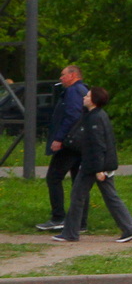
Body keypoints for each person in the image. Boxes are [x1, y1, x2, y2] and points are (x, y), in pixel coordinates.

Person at [52, 86, 132, 243]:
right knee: (107, 196)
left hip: (93, 165)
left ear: (94, 100)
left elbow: (98, 145)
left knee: (79, 196)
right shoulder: (97, 115)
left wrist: (99, 169)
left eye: (87, 96)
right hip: (95, 164)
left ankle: (71, 233)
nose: (84, 98)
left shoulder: (94, 118)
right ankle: (129, 229)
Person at [35, 65, 89, 233]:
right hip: (81, 143)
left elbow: (72, 115)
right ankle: (80, 222)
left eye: (63, 75)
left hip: (69, 144)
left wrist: (59, 138)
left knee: (53, 177)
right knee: (78, 182)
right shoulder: (83, 90)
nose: (60, 78)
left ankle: (58, 217)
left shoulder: (73, 91)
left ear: (73, 75)